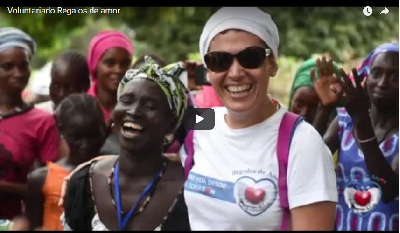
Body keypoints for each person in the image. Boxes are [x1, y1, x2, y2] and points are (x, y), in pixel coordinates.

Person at [180, 7, 338, 230]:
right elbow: (153, 128)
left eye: (250, 57)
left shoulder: (302, 142)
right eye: (219, 60)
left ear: (272, 64)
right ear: (208, 72)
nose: (235, 73)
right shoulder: (203, 120)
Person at [61, 57, 191, 231]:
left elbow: (216, 119)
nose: (134, 111)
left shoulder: (190, 190)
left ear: (170, 123)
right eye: (126, 101)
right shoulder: (84, 183)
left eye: (150, 106)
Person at [315, 42, 399, 231]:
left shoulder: (356, 119)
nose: (383, 82)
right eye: (376, 73)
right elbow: (309, 163)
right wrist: (325, 106)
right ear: (365, 78)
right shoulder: (345, 121)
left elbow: (387, 188)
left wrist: (362, 120)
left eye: (395, 77)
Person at [0, 27, 60, 220]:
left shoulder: (42, 122)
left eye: (23, 66)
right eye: (8, 66)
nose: (17, 73)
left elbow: (52, 189)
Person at [25, 93, 107, 231]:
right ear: (62, 131)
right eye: (77, 138)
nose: (85, 145)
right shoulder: (42, 178)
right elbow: (34, 225)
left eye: (92, 137)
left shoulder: (112, 173)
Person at [87, 30, 134, 126]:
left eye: (125, 63)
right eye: (110, 63)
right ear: (94, 65)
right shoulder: (81, 106)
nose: (118, 70)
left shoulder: (136, 107)